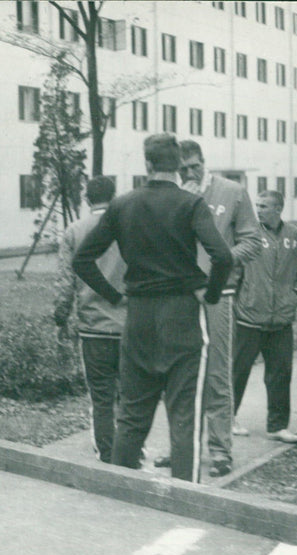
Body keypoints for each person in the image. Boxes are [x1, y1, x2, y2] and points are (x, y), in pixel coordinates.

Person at [74, 133, 233, 483]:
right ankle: (183, 502)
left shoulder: (122, 204)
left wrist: (116, 296)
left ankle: (119, 492)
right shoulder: (191, 204)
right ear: (177, 166)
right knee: (184, 418)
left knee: (131, 416)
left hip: (138, 319)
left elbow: (82, 259)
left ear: (147, 164)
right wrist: (210, 293)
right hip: (183, 317)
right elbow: (222, 256)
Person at [152, 140, 261, 477]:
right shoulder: (173, 196)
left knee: (216, 373)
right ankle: (182, 447)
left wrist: (224, 262)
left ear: (204, 162)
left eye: (194, 166)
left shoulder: (232, 192)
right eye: (182, 168)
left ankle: (220, 450)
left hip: (218, 294)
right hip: (180, 296)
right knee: (179, 375)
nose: (189, 173)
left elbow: (252, 241)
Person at [54, 176, 126, 463]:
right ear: (115, 196)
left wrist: (61, 318)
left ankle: (106, 453)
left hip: (93, 327)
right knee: (130, 395)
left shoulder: (74, 231)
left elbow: (64, 281)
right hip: (128, 325)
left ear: (86, 199)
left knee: (101, 397)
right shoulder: (129, 228)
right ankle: (133, 448)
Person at [232, 191, 297, 443]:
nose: (259, 210)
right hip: (249, 317)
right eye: (257, 205)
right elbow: (234, 268)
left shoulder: (296, 237)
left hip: (281, 320)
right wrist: (239, 298)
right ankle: (227, 419)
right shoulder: (249, 235)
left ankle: (277, 426)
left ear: (279, 208)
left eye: (264, 206)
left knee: (280, 373)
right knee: (238, 370)